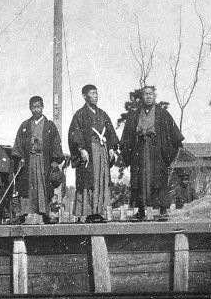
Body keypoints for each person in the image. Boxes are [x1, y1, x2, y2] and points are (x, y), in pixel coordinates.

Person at [118, 85, 183, 221]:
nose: (148, 96)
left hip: (157, 152)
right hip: (139, 152)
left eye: (151, 94)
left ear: (155, 96)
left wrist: (175, 145)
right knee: (139, 181)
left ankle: (163, 210)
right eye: (145, 94)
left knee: (159, 179)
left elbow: (174, 134)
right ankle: (141, 211)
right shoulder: (134, 115)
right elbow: (127, 136)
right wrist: (127, 150)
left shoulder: (163, 113)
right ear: (141, 97)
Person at [67, 84, 118, 223]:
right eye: (92, 93)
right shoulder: (80, 114)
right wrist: (81, 149)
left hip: (102, 151)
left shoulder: (102, 114)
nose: (95, 96)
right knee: (89, 181)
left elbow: (110, 132)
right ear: (84, 96)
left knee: (101, 180)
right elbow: (75, 133)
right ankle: (88, 212)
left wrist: (111, 148)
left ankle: (99, 211)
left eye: (96, 93)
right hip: (89, 152)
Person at [11, 96, 64, 223]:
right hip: (28, 162)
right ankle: (22, 214)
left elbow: (56, 144)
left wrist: (55, 160)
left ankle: (48, 214)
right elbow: (18, 144)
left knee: (45, 187)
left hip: (44, 162)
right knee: (26, 187)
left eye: (38, 107)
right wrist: (21, 157)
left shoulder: (49, 125)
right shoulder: (25, 125)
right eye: (33, 107)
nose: (36, 110)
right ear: (30, 108)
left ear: (42, 107)